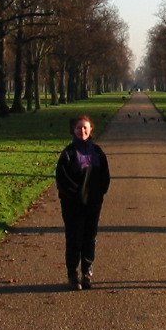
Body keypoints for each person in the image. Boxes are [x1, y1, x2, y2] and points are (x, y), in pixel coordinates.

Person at [55, 115, 111, 290]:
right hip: (73, 206)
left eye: (85, 128)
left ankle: (87, 271)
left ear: (91, 129)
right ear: (73, 130)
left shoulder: (98, 152)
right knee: (74, 238)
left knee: (90, 238)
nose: (82, 131)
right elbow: (62, 180)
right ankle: (73, 274)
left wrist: (98, 194)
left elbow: (105, 177)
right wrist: (76, 196)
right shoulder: (68, 154)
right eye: (79, 128)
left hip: (93, 204)